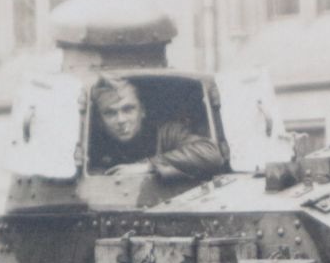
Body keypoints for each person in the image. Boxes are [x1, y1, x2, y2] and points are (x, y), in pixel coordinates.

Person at [87, 76, 226, 183]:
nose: (121, 120)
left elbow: (211, 154)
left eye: (128, 109)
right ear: (99, 120)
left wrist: (149, 166)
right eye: (110, 113)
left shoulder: (167, 133)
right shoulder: (93, 144)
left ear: (142, 111)